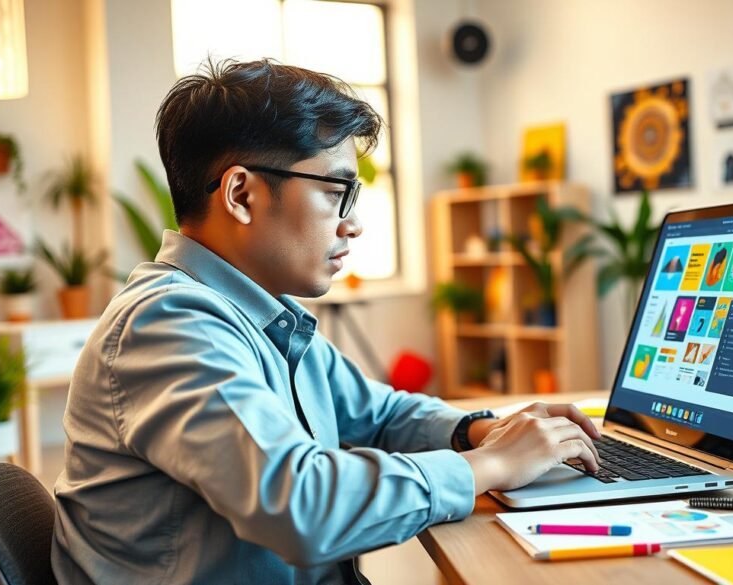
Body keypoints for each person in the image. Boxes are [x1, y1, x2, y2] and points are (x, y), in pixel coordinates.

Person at [51, 59, 601, 585]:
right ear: (241, 194)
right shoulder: (168, 323)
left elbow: (378, 413)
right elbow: (301, 505)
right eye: (337, 193)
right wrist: (495, 464)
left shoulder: (270, 315)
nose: (354, 225)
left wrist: (482, 430)